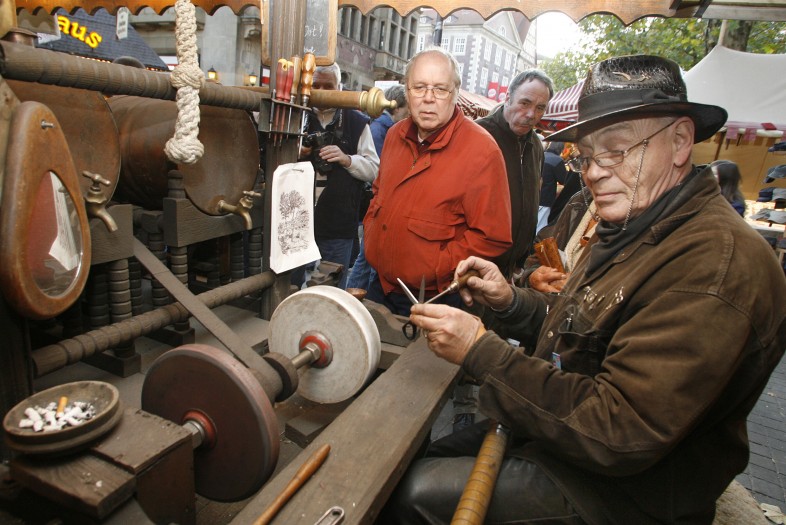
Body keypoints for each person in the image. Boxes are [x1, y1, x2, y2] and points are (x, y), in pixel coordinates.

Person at [382, 54, 786, 524]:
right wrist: (510, 300)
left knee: (409, 492)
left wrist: (480, 350)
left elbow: (618, 432)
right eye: (587, 157)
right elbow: (581, 325)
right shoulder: (637, 222)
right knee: (405, 461)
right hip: (558, 436)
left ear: (680, 141)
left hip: (623, 493)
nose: (593, 173)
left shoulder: (714, 265)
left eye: (616, 150)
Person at [363, 47, 512, 316]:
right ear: (406, 91)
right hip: (379, 285)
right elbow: (378, 193)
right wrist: (372, 230)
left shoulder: (482, 151)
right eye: (419, 87)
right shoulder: (395, 135)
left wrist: (435, 268)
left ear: (455, 93)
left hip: (436, 297)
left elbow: (492, 237)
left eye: (440, 89)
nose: (428, 98)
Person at [291, 63, 379, 290]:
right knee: (289, 286)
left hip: (338, 223)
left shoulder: (355, 121)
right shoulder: (295, 114)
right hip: (295, 220)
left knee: (332, 289)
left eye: (328, 86)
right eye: (315, 85)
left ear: (339, 87)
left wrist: (347, 159)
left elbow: (374, 170)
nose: (321, 92)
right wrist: (293, 152)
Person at [475, 70, 554, 280]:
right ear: (508, 98)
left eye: (540, 108)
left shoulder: (535, 144)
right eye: (525, 103)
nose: (531, 114)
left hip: (512, 271)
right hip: (476, 265)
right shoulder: (476, 135)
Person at [346, 84, 409, 292]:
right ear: (396, 107)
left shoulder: (384, 128)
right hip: (379, 205)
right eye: (407, 109)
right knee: (367, 259)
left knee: (366, 259)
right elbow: (383, 172)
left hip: (379, 204)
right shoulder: (384, 130)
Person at [537, 140, 568, 233]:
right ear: (561, 149)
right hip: (545, 199)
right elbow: (564, 180)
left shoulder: (541, 155)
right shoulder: (557, 160)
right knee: (541, 226)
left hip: (533, 196)